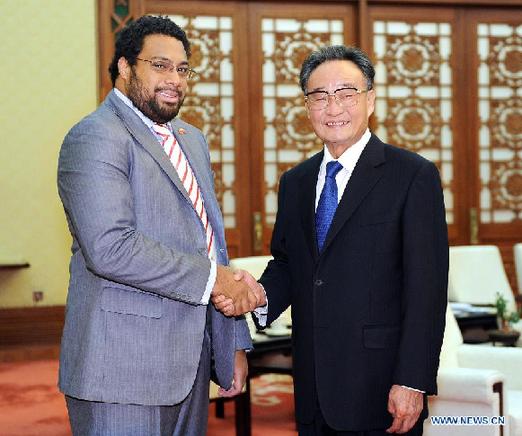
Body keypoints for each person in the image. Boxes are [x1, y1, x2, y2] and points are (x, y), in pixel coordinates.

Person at [214, 45, 448, 435]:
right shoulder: (296, 182)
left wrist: (412, 381)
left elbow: (427, 290)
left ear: (370, 99)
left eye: (346, 93)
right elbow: (289, 265)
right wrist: (256, 295)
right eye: (319, 96)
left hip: (381, 387)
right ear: (307, 106)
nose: (333, 107)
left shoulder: (412, 177)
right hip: (313, 385)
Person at [57, 15, 264, 435]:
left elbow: (210, 244)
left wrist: (234, 344)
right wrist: (219, 280)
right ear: (125, 67)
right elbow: (111, 247)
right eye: (160, 65)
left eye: (182, 68)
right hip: (121, 371)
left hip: (189, 366)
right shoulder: (96, 136)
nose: (175, 78)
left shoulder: (190, 138)